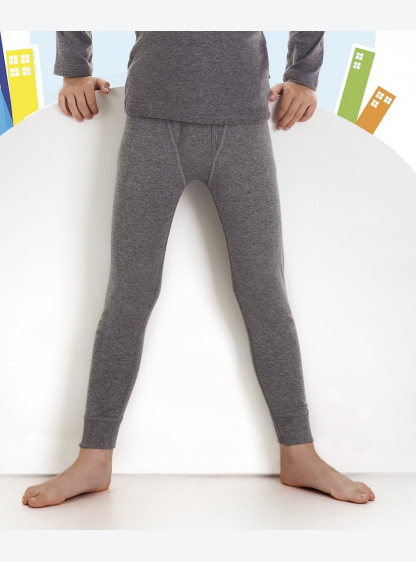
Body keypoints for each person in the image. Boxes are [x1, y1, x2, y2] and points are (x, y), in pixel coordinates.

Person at [22, 31, 375, 508]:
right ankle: (94, 457)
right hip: (152, 119)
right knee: (128, 295)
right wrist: (73, 67)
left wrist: (304, 75)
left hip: (242, 120)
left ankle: (299, 452)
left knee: (265, 294)